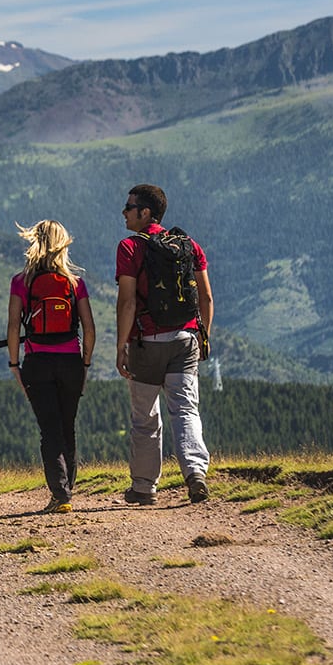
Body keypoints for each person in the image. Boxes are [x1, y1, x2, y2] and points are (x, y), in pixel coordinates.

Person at [113, 184, 213, 505]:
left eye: (129, 207)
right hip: (186, 340)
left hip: (147, 342)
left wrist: (121, 345)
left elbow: (127, 302)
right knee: (185, 409)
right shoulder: (188, 245)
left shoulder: (129, 247)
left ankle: (143, 487)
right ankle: (196, 472)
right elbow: (207, 296)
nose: (124, 212)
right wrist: (204, 335)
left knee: (145, 416)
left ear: (145, 212)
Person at [7, 219, 97, 512]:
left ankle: (60, 496)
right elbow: (90, 328)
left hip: (37, 361)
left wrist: (14, 364)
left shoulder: (22, 282)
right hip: (71, 360)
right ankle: (66, 491)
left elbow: (12, 327)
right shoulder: (75, 282)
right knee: (67, 427)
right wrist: (85, 364)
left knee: (49, 429)